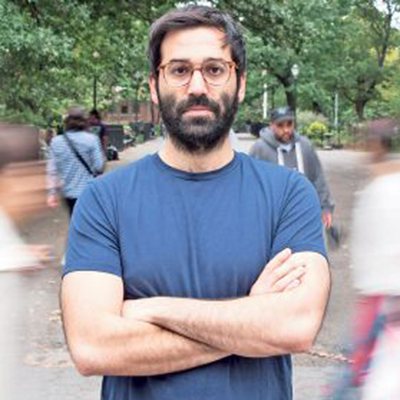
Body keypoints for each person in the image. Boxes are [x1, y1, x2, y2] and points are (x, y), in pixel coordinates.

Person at [61, 6, 330, 400]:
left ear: (240, 83)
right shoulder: (104, 200)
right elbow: (92, 346)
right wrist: (252, 319)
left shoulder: (289, 195)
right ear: (155, 85)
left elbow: (296, 327)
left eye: (215, 69)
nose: (198, 86)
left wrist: (152, 309)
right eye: (180, 70)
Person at [249, 107, 335, 229]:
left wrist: (325, 207)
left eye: (289, 124)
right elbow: (250, 185)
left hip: (304, 216)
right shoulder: (259, 149)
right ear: (272, 125)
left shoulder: (305, 146)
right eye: (280, 125)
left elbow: (318, 177)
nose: (286, 130)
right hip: (273, 221)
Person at [47, 106, 104, 216]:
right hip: (88, 191)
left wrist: (51, 193)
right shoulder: (92, 140)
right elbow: (98, 166)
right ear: (85, 121)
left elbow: (52, 171)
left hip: (68, 193)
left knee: (74, 219)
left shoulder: (56, 142)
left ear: (67, 121)